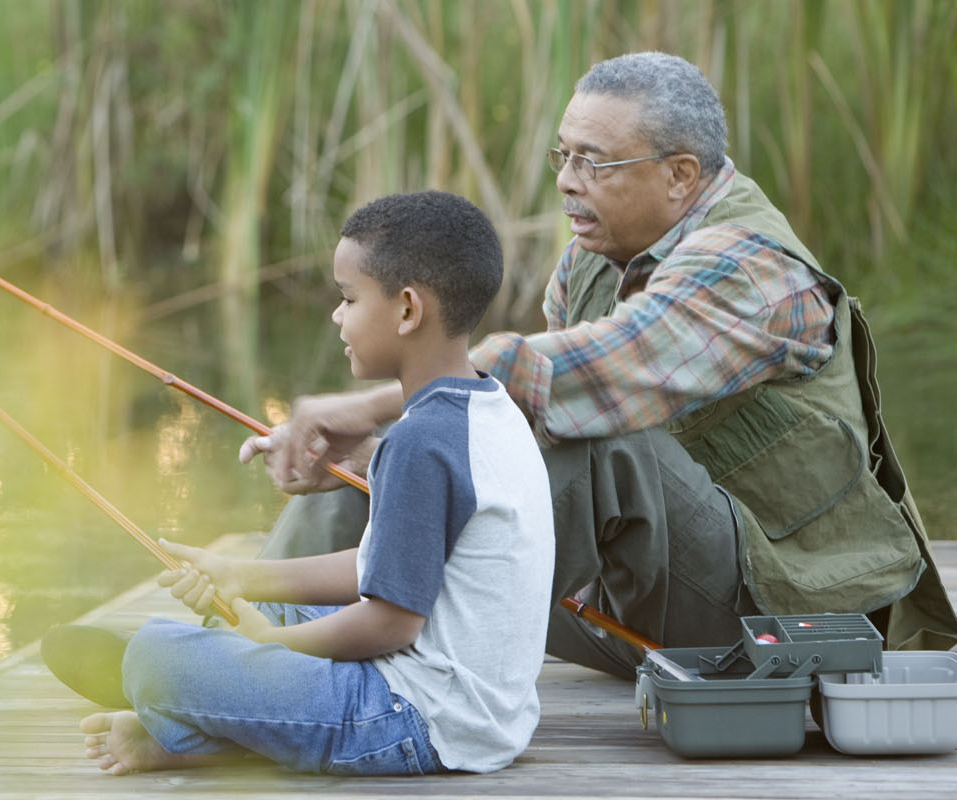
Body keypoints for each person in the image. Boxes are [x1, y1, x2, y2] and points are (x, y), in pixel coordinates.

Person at [242, 51, 957, 679]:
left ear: (680, 175)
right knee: (387, 461)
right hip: (627, 607)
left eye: (595, 162)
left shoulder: (747, 264)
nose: (567, 183)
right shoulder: (587, 259)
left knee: (598, 443)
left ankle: (297, 665)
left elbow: (592, 376)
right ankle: (231, 647)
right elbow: (510, 441)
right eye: (563, 156)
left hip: (774, 615)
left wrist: (371, 405)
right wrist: (376, 453)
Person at [49, 191, 555, 776]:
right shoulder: (485, 408)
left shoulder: (420, 443)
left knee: (159, 656)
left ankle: (174, 706)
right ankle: (189, 719)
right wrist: (239, 576)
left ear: (408, 310)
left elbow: (390, 622)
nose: (337, 316)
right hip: (480, 712)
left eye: (348, 299)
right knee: (254, 606)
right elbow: (379, 568)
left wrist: (268, 648)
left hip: (418, 720)